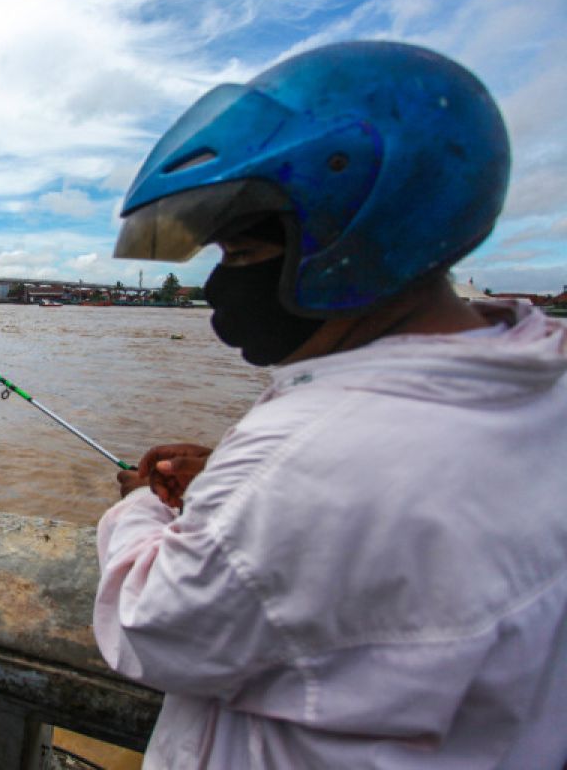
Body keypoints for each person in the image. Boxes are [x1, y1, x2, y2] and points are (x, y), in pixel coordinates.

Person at [93, 41, 567, 768]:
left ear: (353, 239)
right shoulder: (539, 385)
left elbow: (150, 625)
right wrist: (226, 480)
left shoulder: (304, 459)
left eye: (243, 256)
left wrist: (140, 509)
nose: (221, 287)